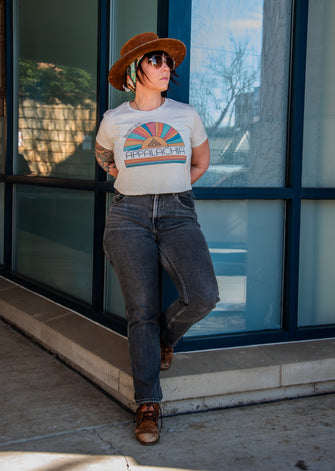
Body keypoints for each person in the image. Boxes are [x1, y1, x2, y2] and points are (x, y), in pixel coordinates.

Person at [95, 32, 219, 445]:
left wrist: (174, 187)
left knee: (202, 295)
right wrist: (126, 177)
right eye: (157, 61)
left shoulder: (185, 115)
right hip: (127, 214)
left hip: (177, 212)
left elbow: (200, 161)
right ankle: (147, 403)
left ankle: (165, 340)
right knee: (140, 310)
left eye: (169, 63)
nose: (167, 68)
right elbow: (103, 156)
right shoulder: (114, 120)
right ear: (135, 70)